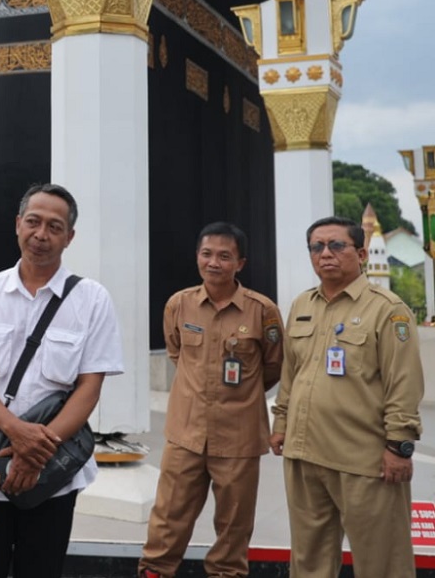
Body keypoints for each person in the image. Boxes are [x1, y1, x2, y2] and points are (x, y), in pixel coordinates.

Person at [0, 183, 123, 578]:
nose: (41, 235)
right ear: (17, 225)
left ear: (69, 237)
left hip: (53, 475)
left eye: (55, 227)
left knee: (40, 569)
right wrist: (16, 433)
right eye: (33, 222)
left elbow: (89, 387)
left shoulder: (92, 299)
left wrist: (36, 452)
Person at [270, 216, 424, 578]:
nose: (325, 254)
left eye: (336, 246)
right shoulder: (302, 305)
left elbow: (404, 384)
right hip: (304, 455)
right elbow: (292, 373)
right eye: (316, 247)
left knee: (383, 563)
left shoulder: (387, 309)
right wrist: (281, 424)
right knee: (309, 563)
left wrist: (399, 445)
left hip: (365, 461)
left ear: (360, 253)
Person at [137, 222, 282, 578]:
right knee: (167, 519)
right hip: (185, 433)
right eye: (206, 254)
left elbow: (273, 368)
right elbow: (176, 354)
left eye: (224, 256)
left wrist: (238, 397)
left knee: (233, 529)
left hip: (239, 438)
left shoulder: (262, 311)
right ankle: (155, 572)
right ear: (197, 257)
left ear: (240, 263)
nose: (213, 262)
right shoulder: (179, 305)